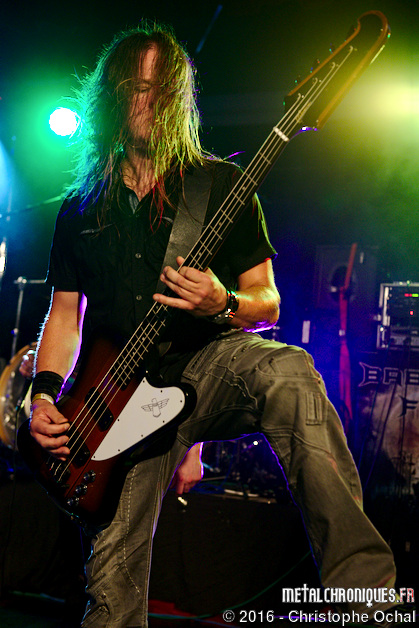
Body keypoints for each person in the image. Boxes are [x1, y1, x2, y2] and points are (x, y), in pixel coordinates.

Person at [28, 22, 402, 628]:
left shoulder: (222, 186)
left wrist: (223, 301)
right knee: (112, 590)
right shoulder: (80, 208)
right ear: (112, 98)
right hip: (118, 404)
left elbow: (267, 301)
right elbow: (66, 315)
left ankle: (365, 599)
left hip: (208, 367)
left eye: (163, 89)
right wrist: (43, 396)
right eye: (136, 88)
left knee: (289, 373)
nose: (149, 102)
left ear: (180, 99)